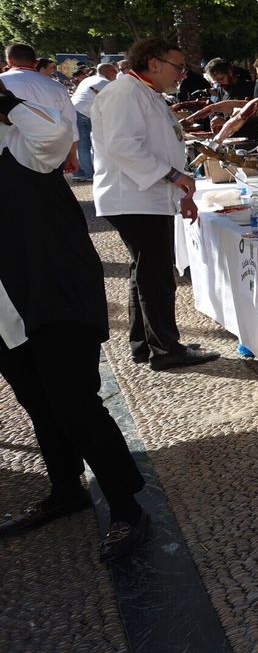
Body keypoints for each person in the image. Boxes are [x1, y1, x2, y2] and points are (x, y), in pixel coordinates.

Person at [0, 78, 150, 559]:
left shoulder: (20, 142)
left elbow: (56, 136)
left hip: (55, 291)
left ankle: (127, 506)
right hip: (6, 308)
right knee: (39, 403)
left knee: (74, 402)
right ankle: (65, 488)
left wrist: (4, 103)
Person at [91, 37, 218, 371]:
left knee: (144, 271)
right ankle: (165, 348)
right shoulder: (125, 93)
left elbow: (162, 145)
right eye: (178, 67)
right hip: (133, 198)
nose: (181, 74)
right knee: (155, 274)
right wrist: (175, 176)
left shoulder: (144, 93)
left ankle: (146, 343)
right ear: (153, 63)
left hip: (146, 196)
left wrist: (179, 193)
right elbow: (124, 147)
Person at [3, 42, 77, 173]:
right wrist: (71, 156)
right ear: (35, 62)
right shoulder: (56, 86)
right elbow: (70, 124)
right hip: (50, 154)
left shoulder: (3, 82)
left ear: (9, 60)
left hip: (7, 153)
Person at [68, 61, 119, 182]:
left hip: (75, 110)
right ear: (109, 72)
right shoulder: (105, 83)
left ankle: (80, 172)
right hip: (84, 112)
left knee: (80, 145)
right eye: (115, 72)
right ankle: (89, 174)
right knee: (84, 146)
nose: (116, 74)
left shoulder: (89, 79)